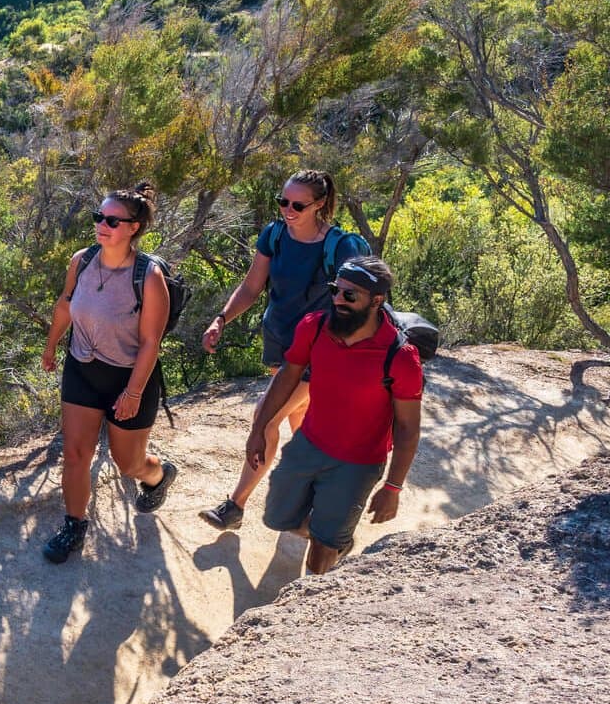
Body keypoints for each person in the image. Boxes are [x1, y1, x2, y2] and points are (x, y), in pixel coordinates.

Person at [197, 170, 370, 531]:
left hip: (320, 354)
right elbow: (251, 287)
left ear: (320, 204)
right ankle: (317, 508)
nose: (288, 210)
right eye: (283, 202)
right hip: (280, 344)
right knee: (303, 427)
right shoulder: (274, 235)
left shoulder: (341, 246)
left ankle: (235, 506)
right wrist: (220, 319)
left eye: (298, 205)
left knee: (267, 419)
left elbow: (359, 302)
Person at [249, 255, 422, 576]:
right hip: (309, 445)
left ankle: (318, 575)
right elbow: (288, 375)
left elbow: (408, 429)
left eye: (350, 294)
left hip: (358, 463)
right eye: (335, 290)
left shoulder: (400, 357)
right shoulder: (314, 327)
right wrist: (259, 429)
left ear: (377, 300)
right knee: (277, 519)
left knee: (320, 553)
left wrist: (393, 487)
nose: (338, 300)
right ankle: (335, 536)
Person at [39, 182, 179, 564]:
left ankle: (157, 476)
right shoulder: (81, 261)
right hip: (82, 368)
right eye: (99, 217)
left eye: (113, 221)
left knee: (128, 462)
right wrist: (52, 345)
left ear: (134, 227)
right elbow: (66, 305)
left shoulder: (148, 277)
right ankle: (74, 525)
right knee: (75, 453)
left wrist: (133, 393)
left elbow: (151, 342)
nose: (103, 225)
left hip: (128, 378)